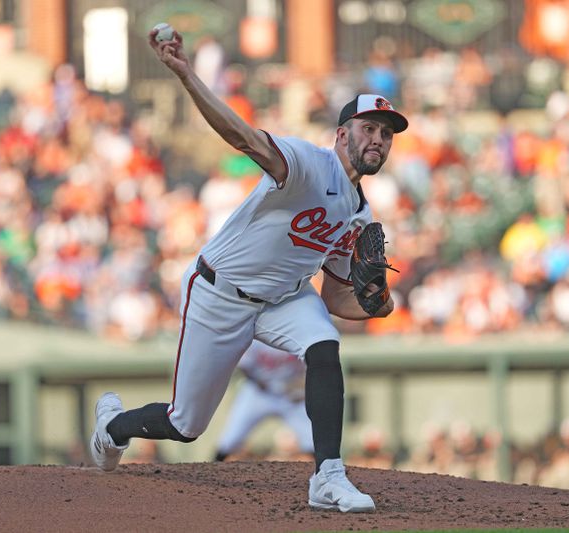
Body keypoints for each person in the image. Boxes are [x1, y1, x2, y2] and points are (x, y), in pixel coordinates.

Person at [89, 26, 408, 514]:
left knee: (324, 347)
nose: (379, 139)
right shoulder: (307, 163)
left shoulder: (361, 214)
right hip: (221, 292)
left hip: (285, 298)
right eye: (369, 128)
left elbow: (336, 301)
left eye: (386, 134)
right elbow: (240, 136)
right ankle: (113, 427)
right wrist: (186, 74)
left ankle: (328, 477)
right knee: (185, 425)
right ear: (342, 134)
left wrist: (378, 304)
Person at [213, 339, 313, 462]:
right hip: (259, 393)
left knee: (313, 441)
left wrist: (300, 384)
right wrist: (260, 382)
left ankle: (326, 473)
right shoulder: (257, 336)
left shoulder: (300, 335)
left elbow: (315, 366)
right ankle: (212, 467)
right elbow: (244, 366)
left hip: (292, 394)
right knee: (230, 439)